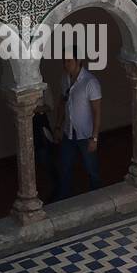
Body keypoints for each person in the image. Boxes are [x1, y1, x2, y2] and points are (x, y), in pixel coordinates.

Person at [54, 58, 102, 199]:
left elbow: (97, 112)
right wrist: (57, 126)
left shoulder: (90, 82)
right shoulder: (65, 80)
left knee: (91, 168)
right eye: (64, 61)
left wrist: (94, 137)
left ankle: (98, 197)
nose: (65, 64)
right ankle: (64, 199)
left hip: (86, 134)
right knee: (65, 166)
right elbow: (62, 104)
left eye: (69, 61)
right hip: (68, 133)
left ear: (78, 61)